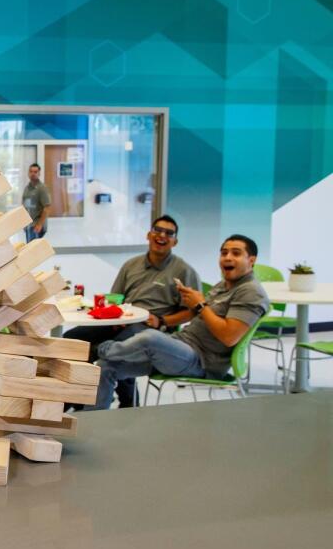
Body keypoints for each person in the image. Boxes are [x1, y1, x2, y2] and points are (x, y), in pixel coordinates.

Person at [87, 234, 269, 410]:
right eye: (224, 253)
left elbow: (229, 337)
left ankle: (99, 350)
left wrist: (200, 305)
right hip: (181, 345)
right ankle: (93, 420)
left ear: (251, 260)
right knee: (105, 367)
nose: (227, 257)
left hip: (202, 361)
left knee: (149, 338)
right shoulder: (224, 285)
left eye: (236, 253)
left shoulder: (251, 292)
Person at [64, 215, 200, 408]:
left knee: (105, 349)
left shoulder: (184, 270)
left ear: (175, 241)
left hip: (152, 329)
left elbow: (191, 312)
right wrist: (115, 313)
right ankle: (82, 400)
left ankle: (80, 403)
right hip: (121, 321)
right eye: (157, 230)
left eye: (169, 233)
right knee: (73, 339)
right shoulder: (131, 265)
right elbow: (115, 297)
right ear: (148, 234)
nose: (162, 236)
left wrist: (162, 321)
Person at [22, 163, 51, 242]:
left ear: (39, 173)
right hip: (28, 225)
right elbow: (24, 206)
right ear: (28, 173)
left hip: (36, 226)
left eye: (35, 172)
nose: (33, 174)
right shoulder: (27, 188)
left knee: (34, 252)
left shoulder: (42, 188)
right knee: (29, 249)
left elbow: (47, 208)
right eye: (31, 171)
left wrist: (40, 224)